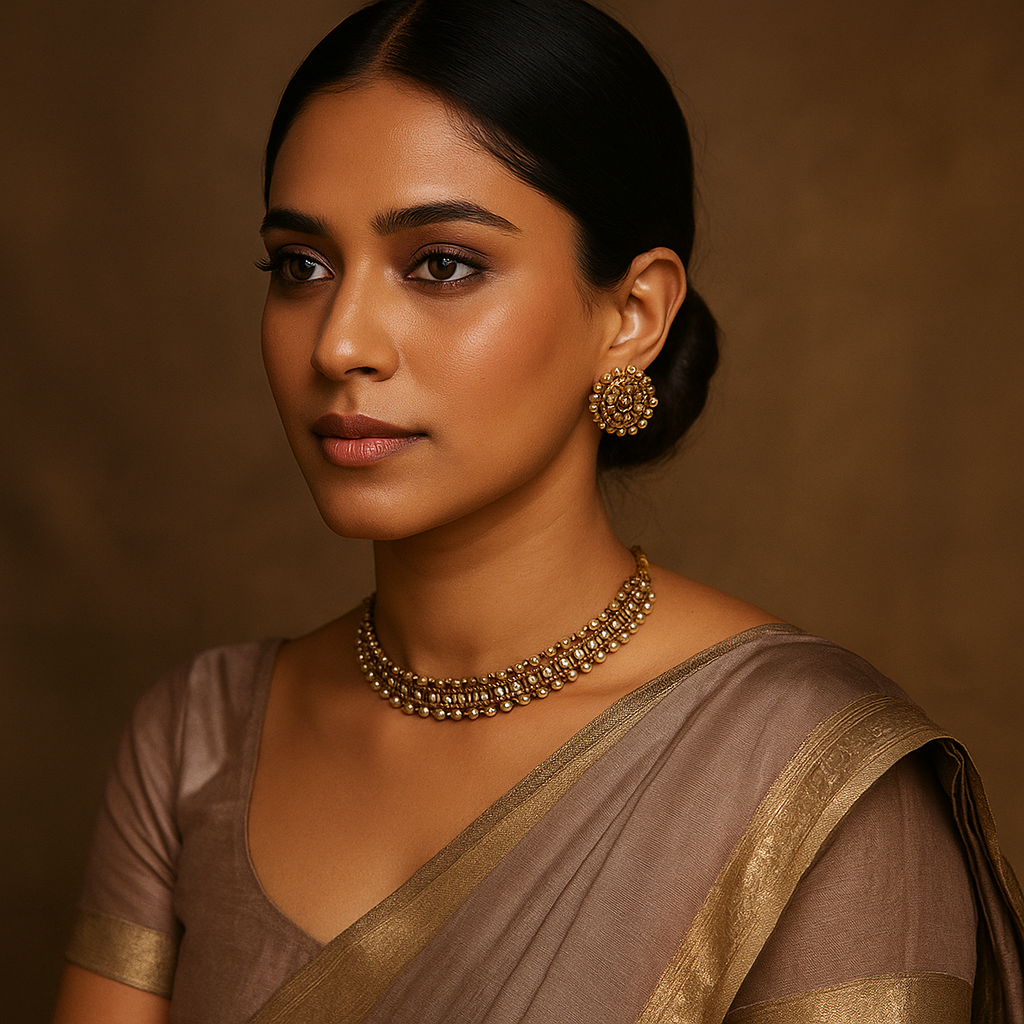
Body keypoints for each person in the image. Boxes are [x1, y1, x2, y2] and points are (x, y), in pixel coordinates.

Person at [52, 1, 1023, 1022]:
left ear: (632, 315)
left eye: (441, 264)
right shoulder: (198, 742)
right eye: (302, 265)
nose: (340, 343)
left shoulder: (811, 778)